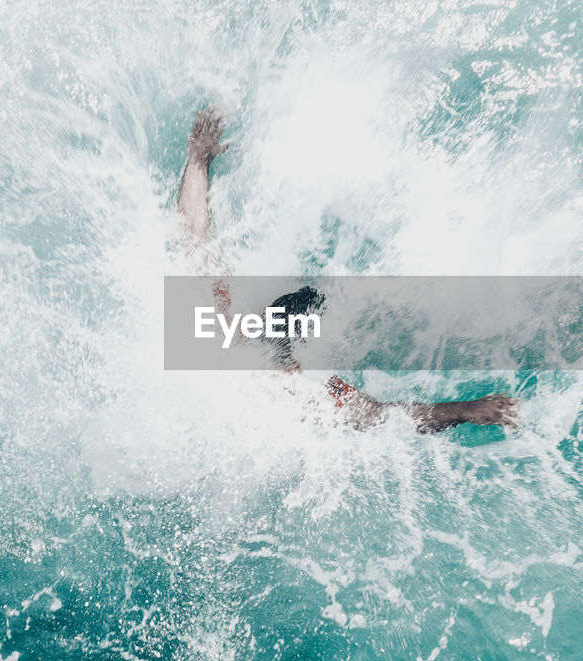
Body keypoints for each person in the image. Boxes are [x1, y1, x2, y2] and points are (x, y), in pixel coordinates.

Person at [176, 105, 519, 434]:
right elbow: (384, 418)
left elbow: (196, 233)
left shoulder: (224, 319)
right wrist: (469, 410)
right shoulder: (306, 395)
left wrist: (198, 159)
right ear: (295, 362)